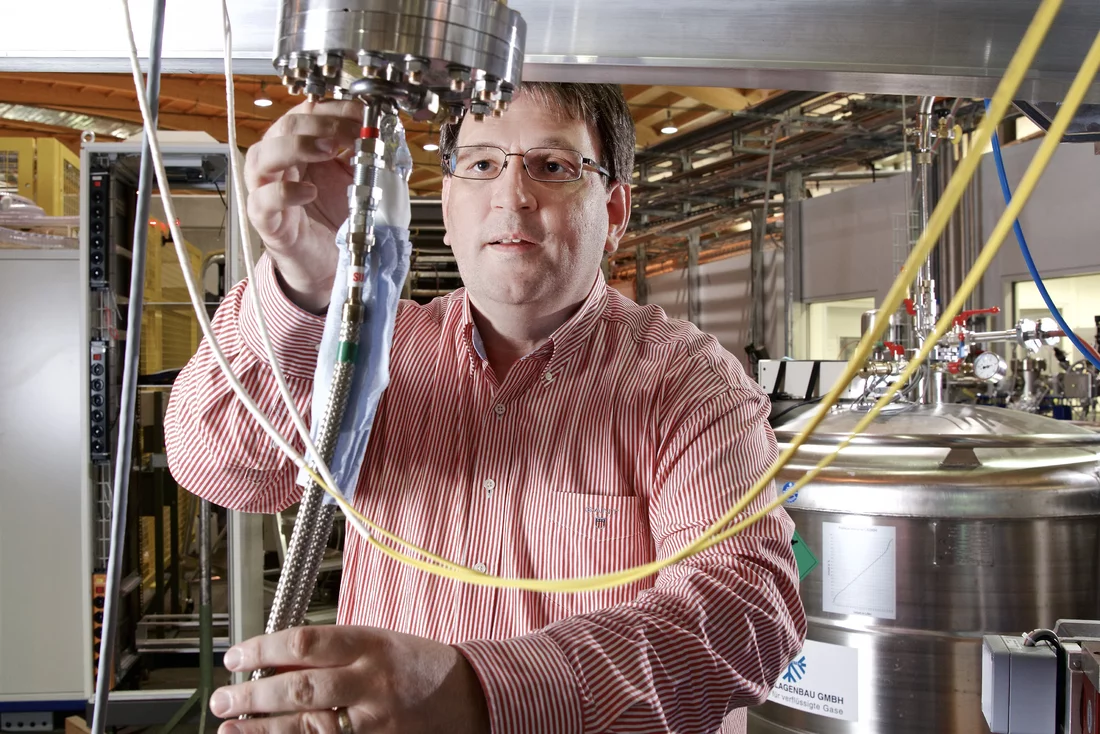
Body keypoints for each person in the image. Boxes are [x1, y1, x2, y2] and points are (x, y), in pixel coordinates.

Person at [165, 82, 806, 734]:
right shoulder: (380, 355)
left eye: (552, 165)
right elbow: (219, 469)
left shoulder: (688, 381)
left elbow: (746, 613)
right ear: (447, 206)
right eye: (481, 164)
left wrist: (480, 692)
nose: (512, 195)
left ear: (613, 211)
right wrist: (310, 289)